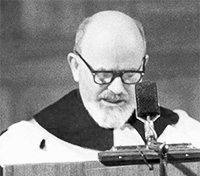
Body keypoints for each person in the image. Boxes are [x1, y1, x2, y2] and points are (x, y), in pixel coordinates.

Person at [0, 10, 200, 164]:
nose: (116, 88)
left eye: (130, 74)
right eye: (103, 75)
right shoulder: (20, 146)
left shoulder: (186, 135)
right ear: (76, 67)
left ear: (144, 65)